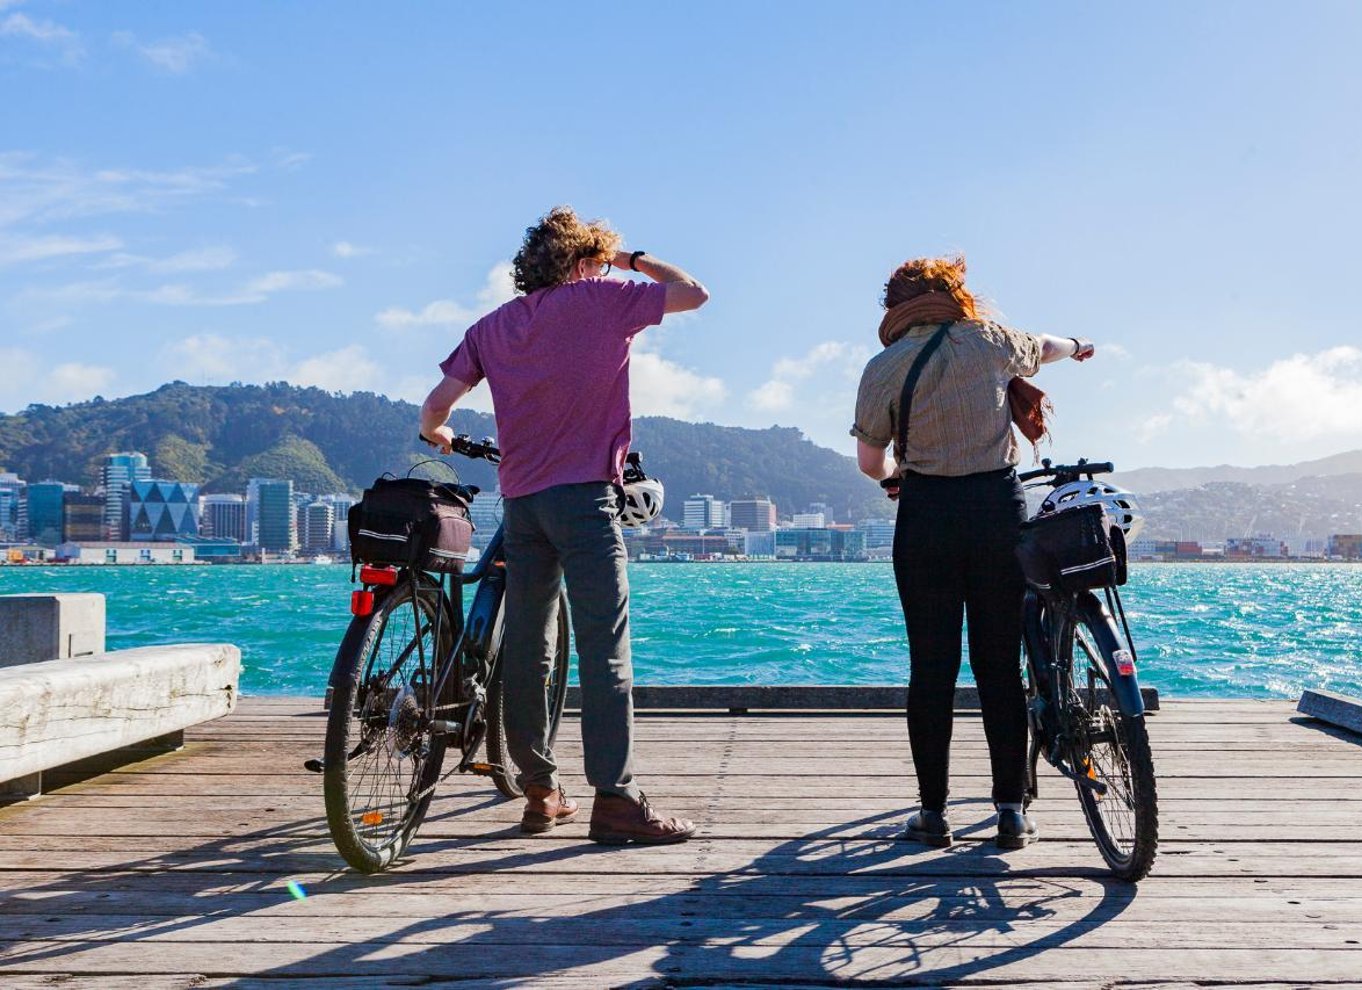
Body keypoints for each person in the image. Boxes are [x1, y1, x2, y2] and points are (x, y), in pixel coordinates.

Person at [420, 206, 709, 844]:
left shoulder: (491, 327)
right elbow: (693, 293)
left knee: (528, 650)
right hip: (585, 502)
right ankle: (616, 800)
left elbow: (435, 408)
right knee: (605, 650)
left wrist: (439, 433)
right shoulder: (603, 299)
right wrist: (632, 262)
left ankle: (541, 793)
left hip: (522, 505)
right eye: (600, 261)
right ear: (584, 263)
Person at [850, 255, 1094, 849]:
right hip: (996, 515)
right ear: (955, 294)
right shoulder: (990, 341)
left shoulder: (883, 366)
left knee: (931, 670)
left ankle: (933, 815)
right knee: (997, 666)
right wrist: (1081, 344)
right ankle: (1011, 811)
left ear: (896, 308)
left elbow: (869, 461)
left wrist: (894, 477)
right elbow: (1049, 345)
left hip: (927, 518)